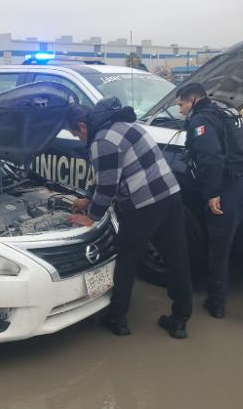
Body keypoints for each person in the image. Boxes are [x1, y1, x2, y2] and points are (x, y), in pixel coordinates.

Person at [67, 97, 193, 339]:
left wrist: (91, 217)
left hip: (143, 206)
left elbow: (107, 187)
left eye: (76, 134)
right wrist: (87, 199)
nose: (79, 139)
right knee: (177, 258)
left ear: (82, 126)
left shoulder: (102, 141)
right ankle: (180, 320)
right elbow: (108, 175)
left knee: (127, 259)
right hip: (171, 197)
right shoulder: (127, 126)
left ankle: (117, 318)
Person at [175, 82, 243, 321]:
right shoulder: (228, 113)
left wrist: (212, 194)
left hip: (231, 188)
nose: (180, 110)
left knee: (220, 248)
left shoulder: (201, 120)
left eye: (181, 105)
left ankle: (217, 304)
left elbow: (210, 158)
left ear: (193, 99)